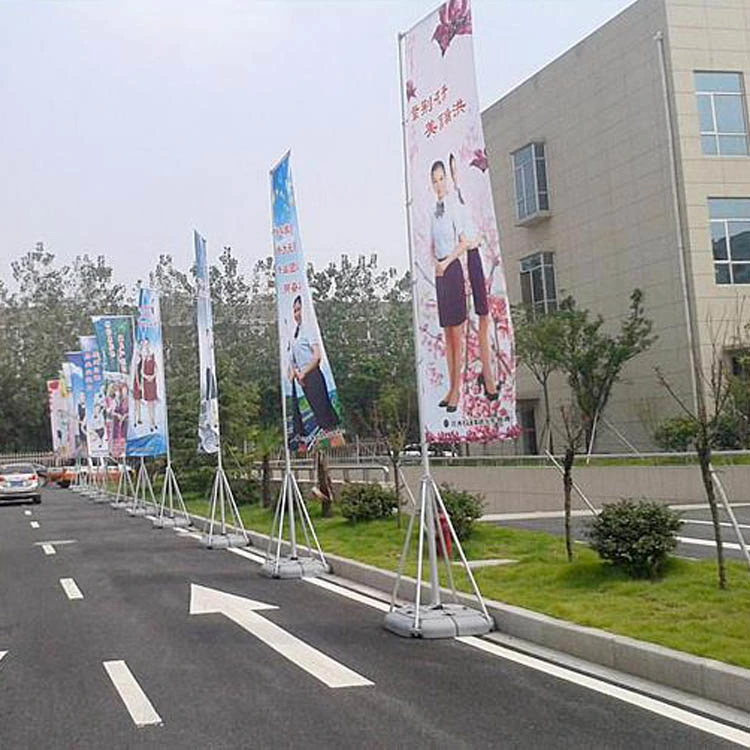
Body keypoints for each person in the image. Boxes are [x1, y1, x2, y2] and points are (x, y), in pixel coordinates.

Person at [448, 153, 498, 401]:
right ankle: (479, 378)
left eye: (457, 170)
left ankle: (487, 374)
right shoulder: (448, 208)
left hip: (478, 257)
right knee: (473, 319)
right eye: (453, 171)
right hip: (464, 259)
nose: (456, 176)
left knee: (484, 318)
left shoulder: (466, 200)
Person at [429, 159, 467, 413]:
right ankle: (450, 388)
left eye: (442, 179)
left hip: (452, 270)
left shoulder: (454, 207)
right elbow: (432, 245)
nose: (439, 184)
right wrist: (435, 262)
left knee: (456, 334)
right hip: (440, 271)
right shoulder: (434, 211)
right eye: (435, 180)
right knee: (446, 334)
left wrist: (447, 262)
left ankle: (457, 390)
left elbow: (464, 242)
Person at [288, 295, 339, 441]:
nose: (296, 314)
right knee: (317, 418)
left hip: (313, 377)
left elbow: (317, 356)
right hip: (303, 382)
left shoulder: (309, 330)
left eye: (299, 310)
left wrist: (303, 372)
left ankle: (337, 448)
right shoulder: (296, 333)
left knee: (326, 420)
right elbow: (293, 361)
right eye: (295, 311)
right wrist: (297, 373)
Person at [141, 339, 159, 431]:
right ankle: (150, 424)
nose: (146, 346)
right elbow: (141, 372)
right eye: (145, 344)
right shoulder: (143, 358)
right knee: (149, 404)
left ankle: (154, 421)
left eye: (147, 344)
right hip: (146, 382)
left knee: (153, 404)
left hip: (152, 382)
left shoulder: (153, 356)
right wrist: (147, 377)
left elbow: (156, 369)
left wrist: (152, 376)